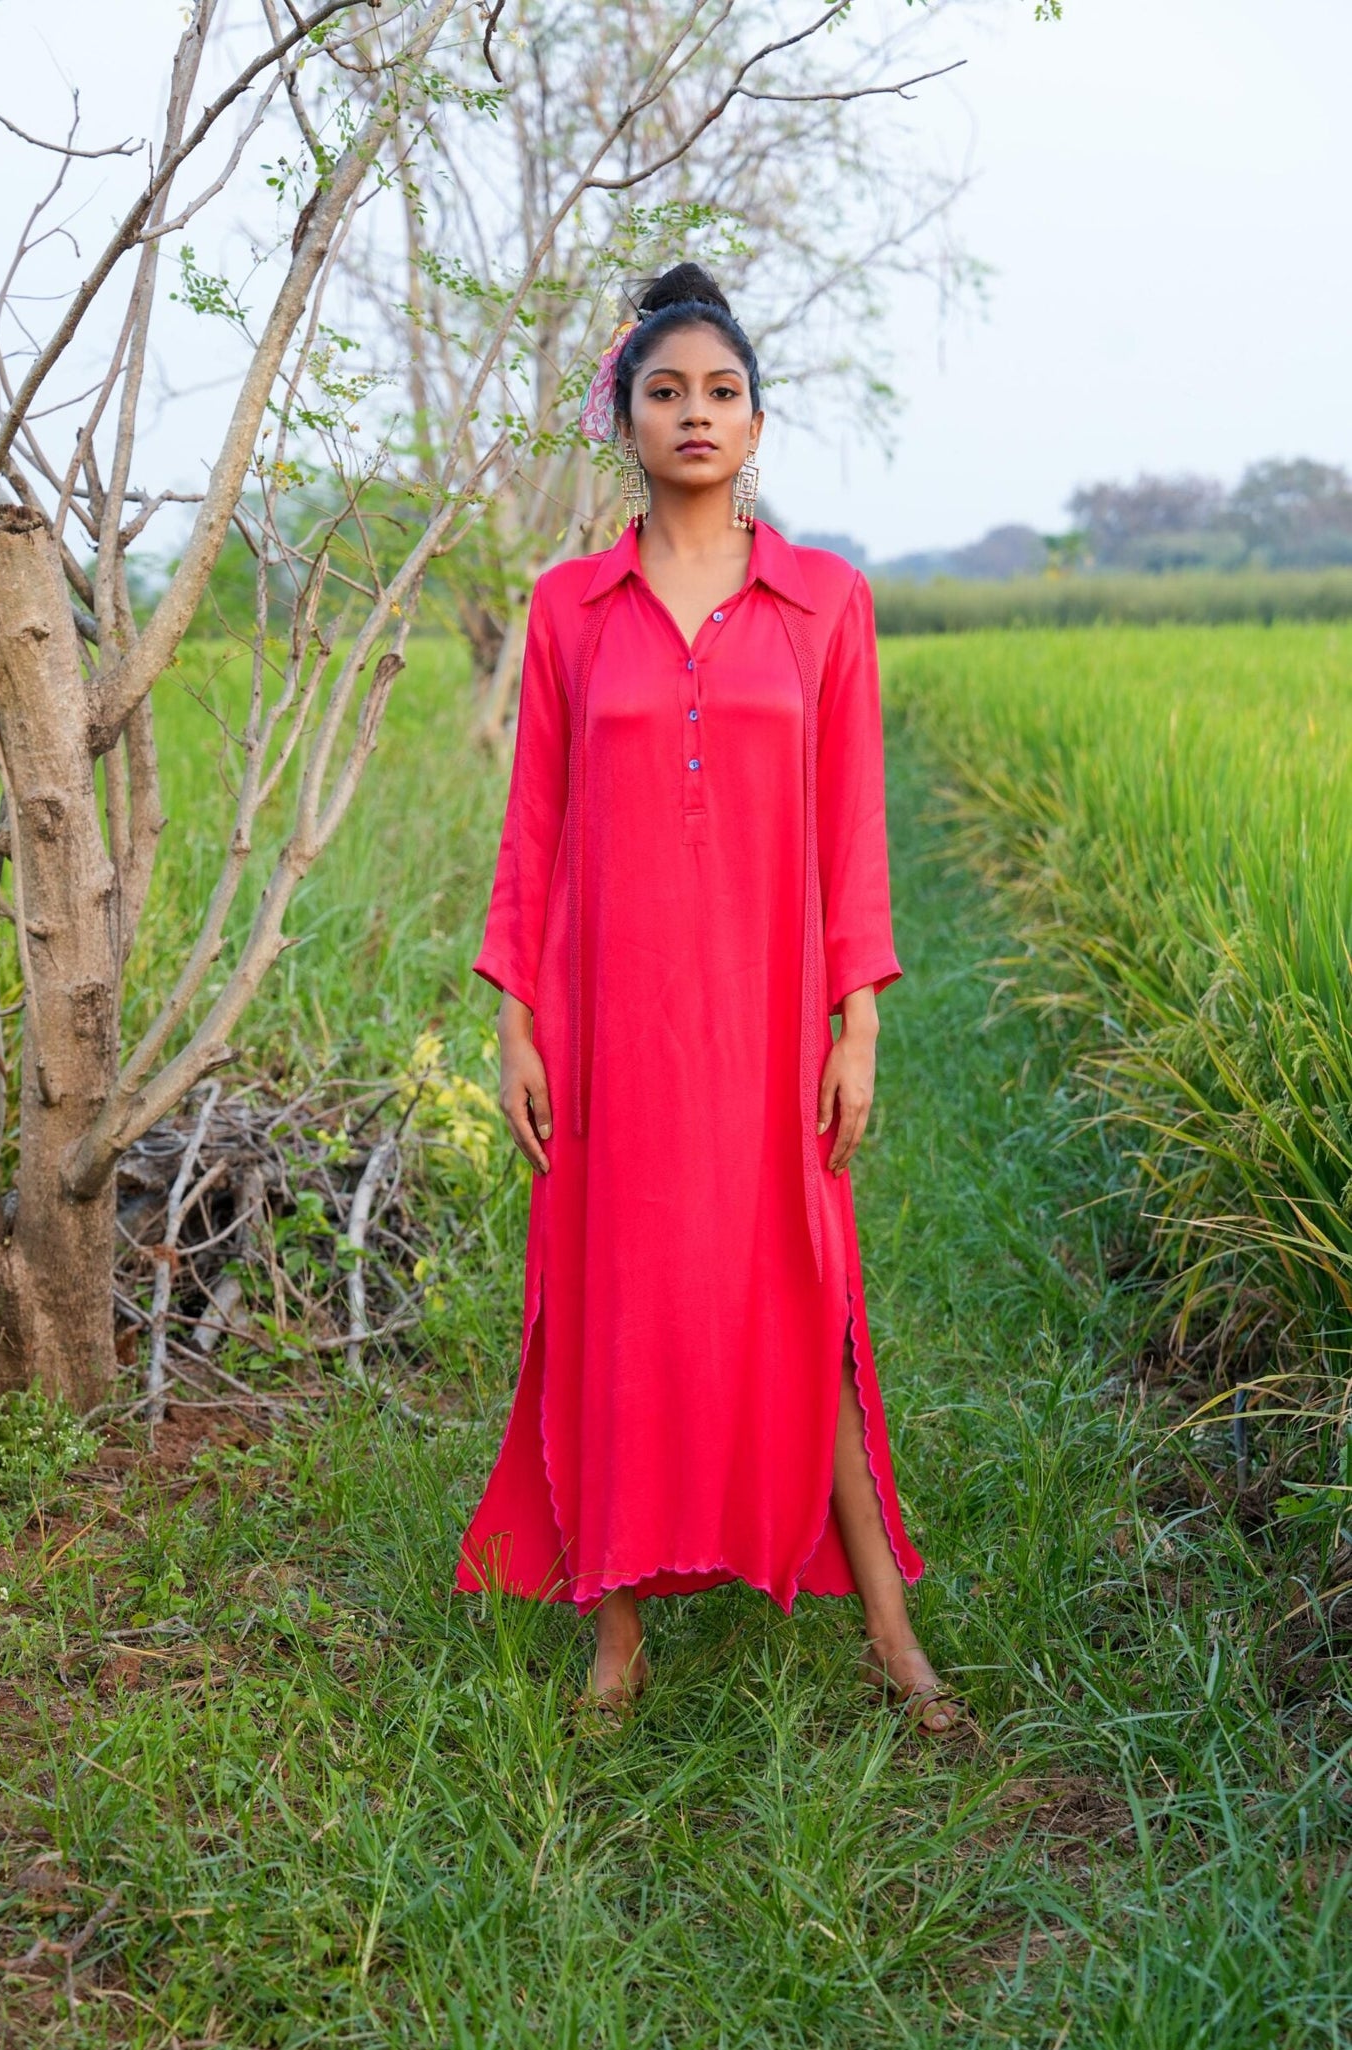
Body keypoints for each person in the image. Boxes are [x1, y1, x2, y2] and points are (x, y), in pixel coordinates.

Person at [455, 262, 960, 1736]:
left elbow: (850, 827)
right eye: (665, 391)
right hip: (609, 1022)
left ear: (756, 422)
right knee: (619, 1301)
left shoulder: (825, 602)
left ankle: (890, 1633)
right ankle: (614, 1635)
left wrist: (857, 1022)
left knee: (805, 1293)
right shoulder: (569, 607)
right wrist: (516, 1019)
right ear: (622, 419)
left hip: (767, 1019)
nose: (695, 414)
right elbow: (534, 830)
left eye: (721, 392)